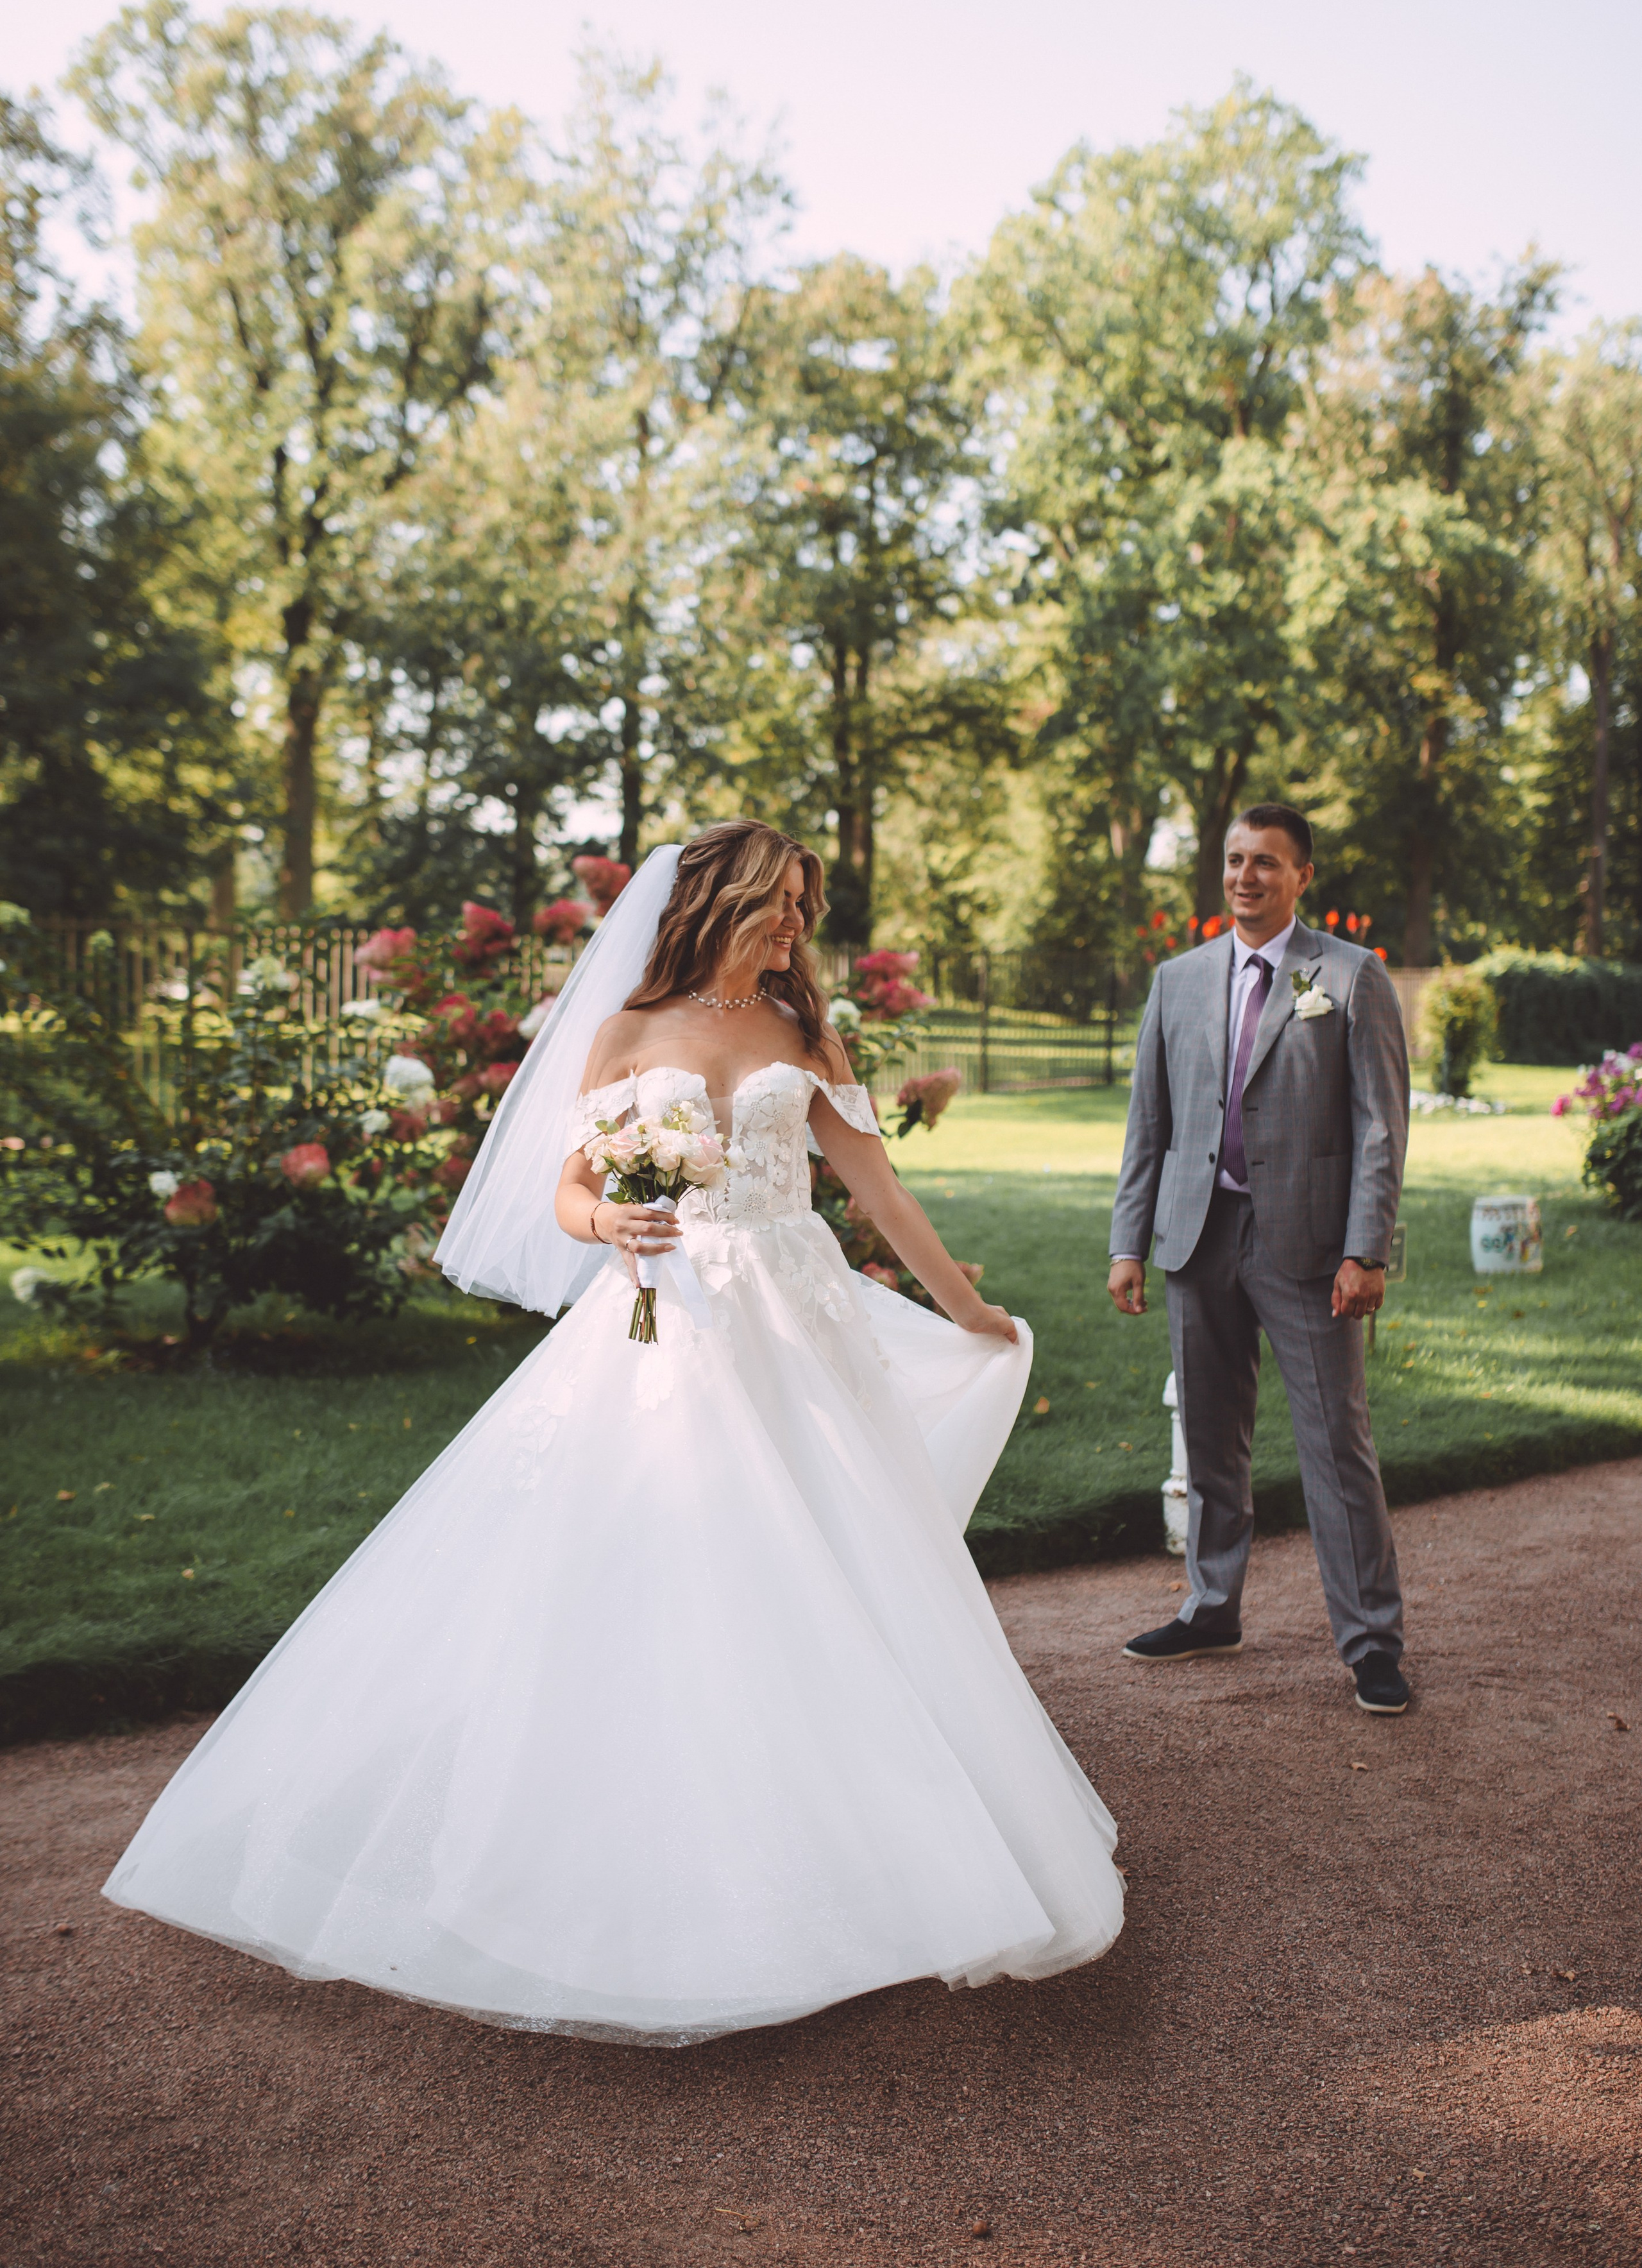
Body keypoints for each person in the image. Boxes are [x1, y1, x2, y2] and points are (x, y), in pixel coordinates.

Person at [104, 821, 1124, 2044]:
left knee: (825, 1571)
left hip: (796, 1322)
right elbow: (573, 1190)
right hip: (672, 1321)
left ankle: (838, 1829)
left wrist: (966, 1308)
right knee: (661, 1564)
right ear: (717, 901)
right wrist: (610, 1231)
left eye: (805, 904)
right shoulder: (627, 1036)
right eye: (777, 901)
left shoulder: (807, 1031)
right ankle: (649, 1844)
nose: (797, 925)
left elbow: (876, 1187)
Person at [1108, 803, 1411, 1715]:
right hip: (1198, 1239)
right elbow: (1149, 1127)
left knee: (1335, 1445)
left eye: (1266, 864)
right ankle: (1210, 1608)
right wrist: (1129, 1242)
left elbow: (1379, 1129)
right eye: (1236, 861)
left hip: (1312, 1252)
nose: (1246, 877)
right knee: (1209, 1437)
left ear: (1301, 875)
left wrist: (1366, 1251)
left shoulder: (1351, 979)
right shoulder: (1179, 980)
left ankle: (1372, 1646)